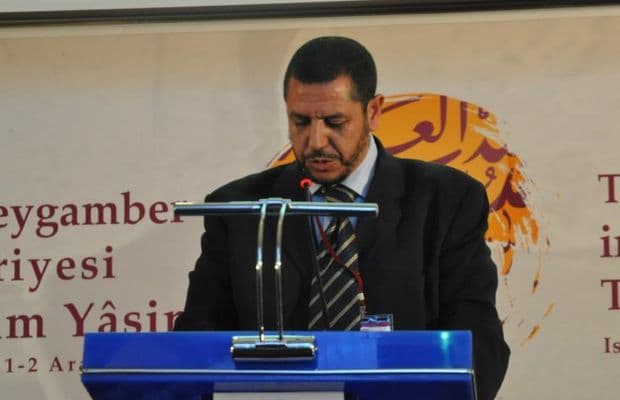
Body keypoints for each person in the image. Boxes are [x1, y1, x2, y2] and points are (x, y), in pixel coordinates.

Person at [174, 36, 509, 399]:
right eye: (300, 122)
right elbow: (196, 341)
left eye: (335, 122)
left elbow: (478, 339)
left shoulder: (445, 200)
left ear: (373, 112)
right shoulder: (239, 209)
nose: (316, 141)